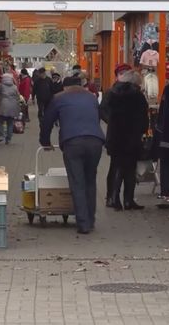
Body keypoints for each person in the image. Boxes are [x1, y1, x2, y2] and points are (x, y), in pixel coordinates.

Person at [39, 76, 105, 234]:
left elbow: (47, 121)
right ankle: (90, 219)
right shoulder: (92, 97)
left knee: (77, 182)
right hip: (95, 141)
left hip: (73, 142)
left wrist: (45, 142)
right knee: (90, 180)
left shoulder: (59, 98)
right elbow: (97, 118)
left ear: (64, 87)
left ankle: (83, 223)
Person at [102, 70, 149, 210]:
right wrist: (142, 130)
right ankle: (128, 200)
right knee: (130, 168)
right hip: (132, 136)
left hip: (115, 135)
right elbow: (143, 116)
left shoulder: (111, 93)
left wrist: (111, 122)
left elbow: (102, 110)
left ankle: (113, 198)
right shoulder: (138, 95)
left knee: (116, 166)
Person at [100, 63, 132, 207]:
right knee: (115, 166)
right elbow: (103, 111)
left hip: (127, 136)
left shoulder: (134, 91)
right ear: (117, 75)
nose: (124, 75)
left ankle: (127, 198)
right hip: (117, 136)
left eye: (127, 72)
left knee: (129, 167)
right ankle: (111, 196)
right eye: (122, 73)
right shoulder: (111, 92)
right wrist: (113, 122)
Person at [0, 73, 20, 145]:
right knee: (10, 123)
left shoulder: (1, 85)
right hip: (13, 106)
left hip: (3, 105)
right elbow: (18, 96)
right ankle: (8, 139)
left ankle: (1, 135)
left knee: (0, 121)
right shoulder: (14, 87)